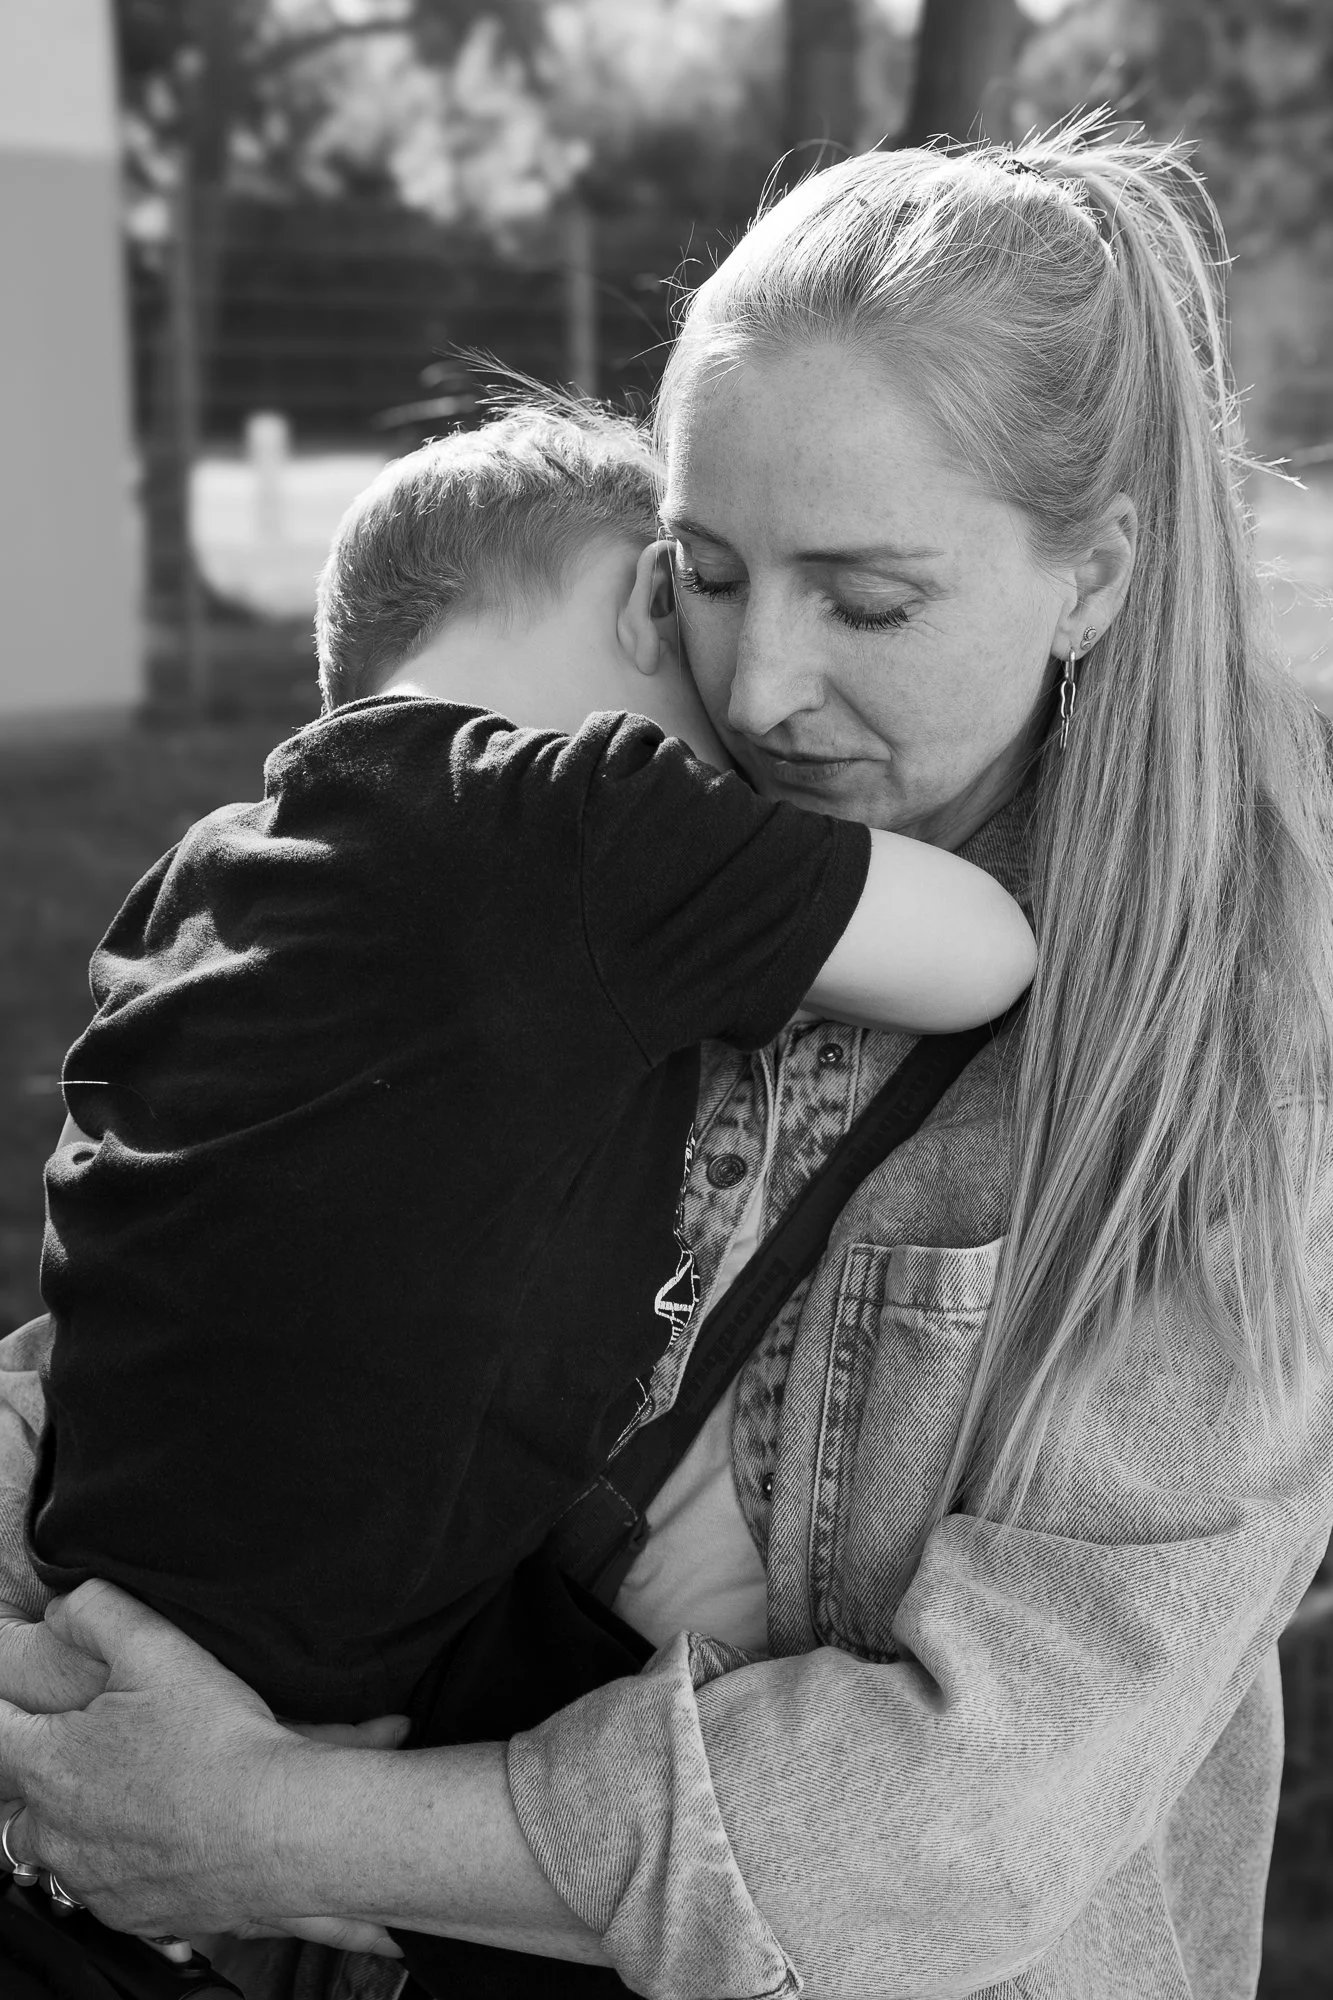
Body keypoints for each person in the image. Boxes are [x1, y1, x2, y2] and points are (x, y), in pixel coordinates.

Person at [1, 115, 1332, 2000]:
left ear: (1098, 573)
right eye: (703, 574)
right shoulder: (607, 841)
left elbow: (966, 1816)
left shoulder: (1252, 1034)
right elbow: (255, 1220)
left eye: (868, 603)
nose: (764, 685)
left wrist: (266, 1822)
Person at [14, 404, 1035, 1737]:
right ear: (647, 598)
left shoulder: (201, 876)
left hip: (98, 1571)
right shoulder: (583, 817)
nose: (747, 709)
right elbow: (986, 950)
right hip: (342, 1673)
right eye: (710, 603)